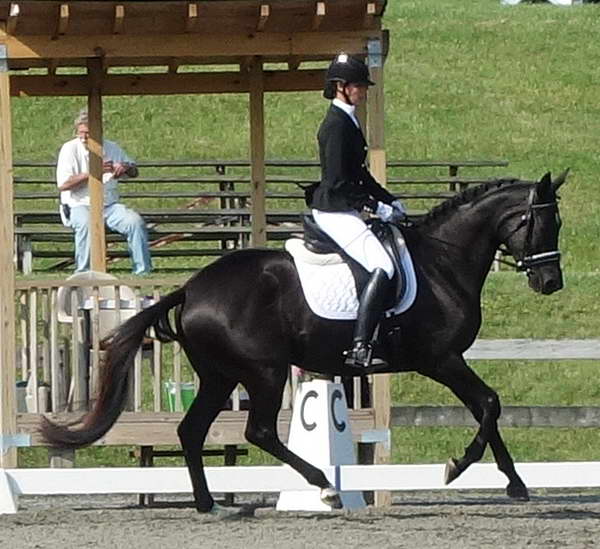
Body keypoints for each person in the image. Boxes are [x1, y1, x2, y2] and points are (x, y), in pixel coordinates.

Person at [306, 53, 406, 369]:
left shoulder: (349, 119)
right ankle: (361, 346)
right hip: (334, 210)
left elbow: (360, 174)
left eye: (363, 85)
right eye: (359, 86)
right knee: (383, 266)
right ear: (341, 86)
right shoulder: (335, 125)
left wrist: (390, 200)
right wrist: (375, 207)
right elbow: (338, 182)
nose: (363, 91)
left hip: (345, 207)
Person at [56, 109, 152, 275]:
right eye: (81, 133)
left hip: (109, 205)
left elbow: (134, 171)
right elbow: (64, 184)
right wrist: (93, 172)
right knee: (86, 224)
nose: (84, 137)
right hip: (79, 204)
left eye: (88, 133)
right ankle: (83, 272)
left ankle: (142, 271)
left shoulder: (111, 147)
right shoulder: (69, 149)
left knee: (134, 222)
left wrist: (125, 168)